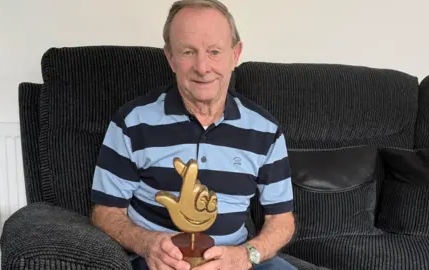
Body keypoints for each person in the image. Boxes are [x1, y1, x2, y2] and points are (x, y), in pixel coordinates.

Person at [90, 0, 296, 269]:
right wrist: (147, 243)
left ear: (235, 55)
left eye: (214, 51)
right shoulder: (131, 122)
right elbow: (104, 212)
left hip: (236, 259)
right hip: (159, 262)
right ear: (170, 57)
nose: (202, 67)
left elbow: (282, 220)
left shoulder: (265, 131)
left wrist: (246, 255)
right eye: (188, 52)